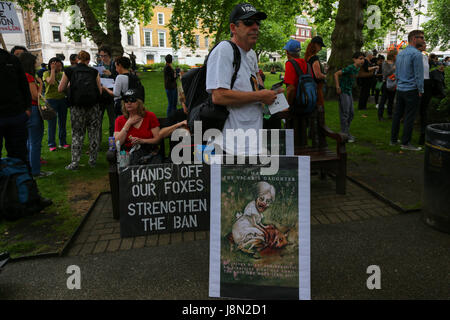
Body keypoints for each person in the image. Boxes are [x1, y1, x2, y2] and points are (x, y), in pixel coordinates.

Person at [206, 3, 279, 155]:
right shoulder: (224, 50)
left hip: (252, 143)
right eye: (248, 22)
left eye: (257, 23)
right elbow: (218, 96)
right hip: (227, 147)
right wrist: (260, 96)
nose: (255, 27)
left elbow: (257, 91)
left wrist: (272, 99)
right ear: (233, 28)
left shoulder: (251, 55)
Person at [58, 50, 102, 170]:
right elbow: (100, 91)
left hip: (76, 107)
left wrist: (70, 88)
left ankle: (75, 162)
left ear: (77, 59)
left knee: (77, 134)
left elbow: (60, 88)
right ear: (88, 60)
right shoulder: (94, 72)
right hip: (93, 106)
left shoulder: (69, 71)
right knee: (94, 133)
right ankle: (92, 161)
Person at [18, 52, 52, 177]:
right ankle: (35, 171)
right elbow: (35, 95)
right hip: (32, 109)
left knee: (28, 141)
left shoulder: (17, 75)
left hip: (22, 111)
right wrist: (40, 83)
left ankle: (29, 169)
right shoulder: (29, 77)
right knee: (35, 142)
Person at [390, 30, 425, 151]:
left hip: (400, 88)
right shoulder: (417, 54)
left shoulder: (400, 53)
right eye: (421, 37)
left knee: (397, 115)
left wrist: (398, 84)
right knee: (409, 116)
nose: (423, 40)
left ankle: (393, 140)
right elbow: (419, 75)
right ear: (414, 39)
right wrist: (420, 89)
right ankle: (405, 143)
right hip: (411, 89)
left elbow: (397, 72)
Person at [0, 48, 31, 165]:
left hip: (16, 115)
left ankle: (20, 181)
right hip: (15, 114)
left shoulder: (11, 60)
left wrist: (27, 108)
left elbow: (23, 85)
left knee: (19, 155)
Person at [334, 52, 366, 143]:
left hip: (349, 91)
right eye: (360, 58)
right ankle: (344, 134)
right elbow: (336, 74)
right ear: (354, 59)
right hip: (343, 91)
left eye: (363, 59)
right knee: (345, 113)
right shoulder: (350, 68)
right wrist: (337, 87)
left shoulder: (357, 68)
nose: (362, 60)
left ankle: (345, 132)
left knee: (351, 113)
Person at [304, 36, 327, 147]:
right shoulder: (315, 58)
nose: (321, 48)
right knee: (319, 111)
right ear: (316, 45)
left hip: (310, 89)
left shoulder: (307, 57)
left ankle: (312, 134)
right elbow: (318, 75)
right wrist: (326, 75)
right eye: (320, 46)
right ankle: (318, 136)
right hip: (317, 88)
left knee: (313, 111)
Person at [43, 57, 69, 152]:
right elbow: (51, 81)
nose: (58, 67)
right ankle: (51, 144)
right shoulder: (46, 73)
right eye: (55, 65)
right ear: (50, 65)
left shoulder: (63, 74)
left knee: (62, 122)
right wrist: (53, 71)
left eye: (59, 65)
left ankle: (63, 142)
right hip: (51, 100)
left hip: (62, 100)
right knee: (52, 123)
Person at [98, 46, 117, 145]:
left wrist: (111, 74)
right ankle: (97, 144)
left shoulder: (114, 65)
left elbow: (119, 79)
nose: (103, 58)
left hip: (111, 95)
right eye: (101, 56)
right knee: (98, 121)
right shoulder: (99, 65)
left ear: (109, 55)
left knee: (113, 122)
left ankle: (112, 144)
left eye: (105, 56)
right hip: (101, 96)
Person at [417, 43, 432, 145]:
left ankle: (423, 134)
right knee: (416, 108)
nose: (426, 46)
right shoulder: (415, 55)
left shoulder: (425, 56)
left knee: (424, 109)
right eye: (424, 44)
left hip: (426, 83)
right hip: (419, 82)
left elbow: (426, 71)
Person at [377, 50, 397, 121]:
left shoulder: (396, 62)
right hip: (386, 83)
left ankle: (390, 114)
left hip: (394, 83)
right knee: (383, 100)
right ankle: (380, 115)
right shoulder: (385, 63)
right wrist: (393, 69)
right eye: (396, 54)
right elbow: (385, 74)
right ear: (393, 55)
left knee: (391, 100)